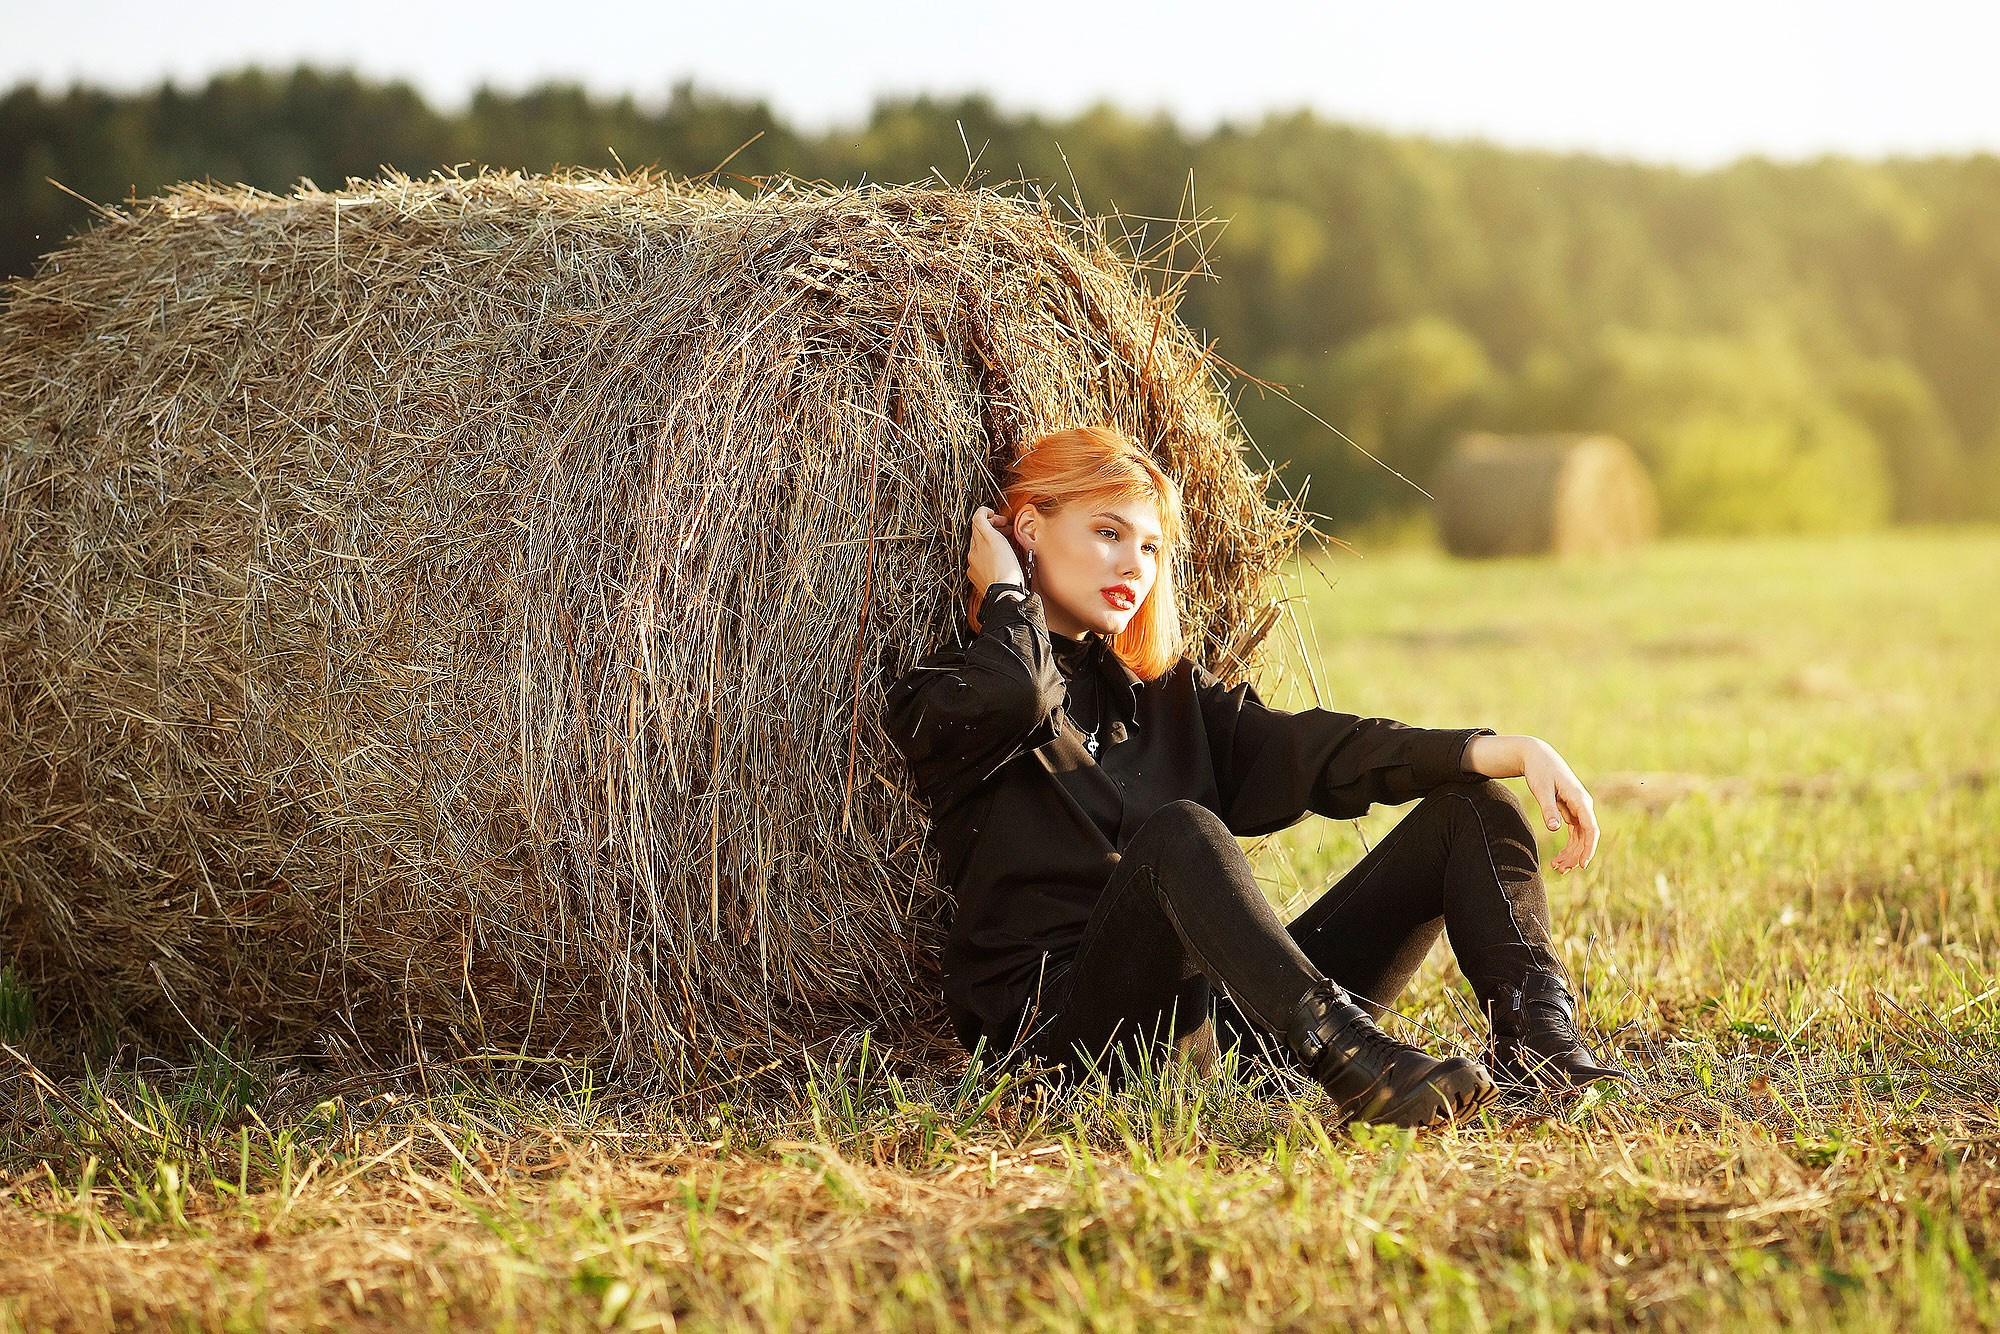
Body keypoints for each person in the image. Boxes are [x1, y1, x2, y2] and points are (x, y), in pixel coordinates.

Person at [882, 424, 1629, 1128]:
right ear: (1029, 529)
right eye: (1106, 533)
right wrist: (1009, 594)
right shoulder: (951, 696)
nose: (1132, 567)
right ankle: (1349, 1057)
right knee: (1183, 831)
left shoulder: (1169, 697)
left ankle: (1544, 1049)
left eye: (1149, 547)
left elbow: (1315, 750)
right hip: (1065, 1041)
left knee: (1473, 807)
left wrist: (1490, 749)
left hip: (1217, 1033)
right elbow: (1017, 692)